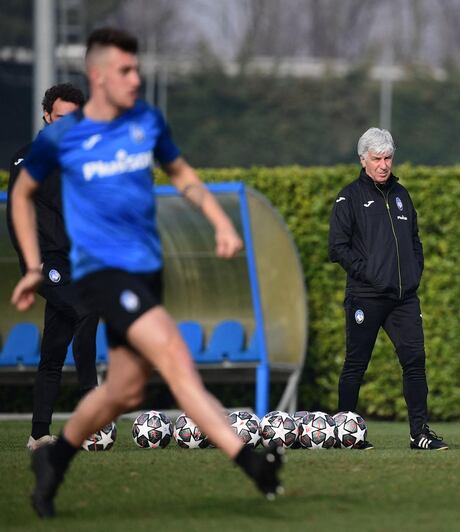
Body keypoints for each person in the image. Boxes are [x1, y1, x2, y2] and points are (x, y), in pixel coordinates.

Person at [10, 28, 282, 519]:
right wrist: (34, 266)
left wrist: (220, 221)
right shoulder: (64, 139)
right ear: (97, 76)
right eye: (125, 71)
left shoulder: (146, 123)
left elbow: (180, 175)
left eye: (137, 69)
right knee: (176, 358)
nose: (136, 79)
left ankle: (54, 459)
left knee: (126, 391)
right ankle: (249, 460)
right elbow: (23, 194)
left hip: (145, 273)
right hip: (100, 274)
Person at [328, 127, 448, 451]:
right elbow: (337, 247)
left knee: (415, 361)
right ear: (363, 160)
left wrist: (414, 273)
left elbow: (414, 240)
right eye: (377, 158)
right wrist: (369, 274)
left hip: (403, 298)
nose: (383, 164)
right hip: (365, 297)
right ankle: (344, 433)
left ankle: (419, 434)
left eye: (388, 157)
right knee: (356, 363)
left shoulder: (402, 195)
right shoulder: (349, 197)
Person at [7, 83, 100, 452]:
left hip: (76, 261)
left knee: (54, 349)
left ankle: (38, 434)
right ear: (47, 116)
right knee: (86, 311)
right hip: (46, 263)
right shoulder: (27, 158)